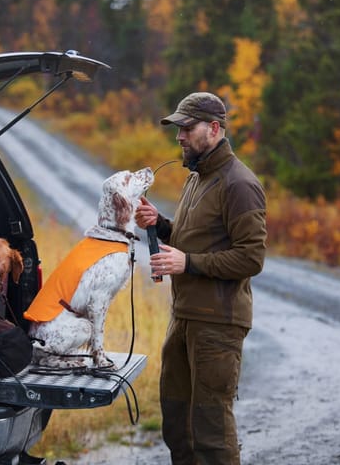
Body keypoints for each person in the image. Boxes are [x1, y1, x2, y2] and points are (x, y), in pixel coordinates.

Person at [134, 92, 267, 464]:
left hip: (218, 325)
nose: (179, 136)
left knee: (211, 435)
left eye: (186, 128)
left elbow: (251, 257)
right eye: (178, 128)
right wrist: (159, 225)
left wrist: (188, 263)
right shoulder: (197, 178)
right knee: (178, 427)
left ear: (214, 129)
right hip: (185, 318)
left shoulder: (240, 184)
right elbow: (192, 237)